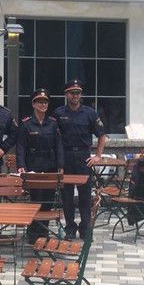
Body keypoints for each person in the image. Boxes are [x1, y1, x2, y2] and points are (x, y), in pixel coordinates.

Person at [54, 79, 107, 240]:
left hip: (84, 157)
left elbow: (102, 135)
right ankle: (70, 227)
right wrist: (58, 162)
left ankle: (85, 228)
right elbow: (55, 138)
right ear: (66, 95)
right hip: (66, 157)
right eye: (72, 93)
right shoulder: (58, 113)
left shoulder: (90, 113)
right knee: (67, 196)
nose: (75, 96)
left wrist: (97, 156)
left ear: (81, 94)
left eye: (77, 93)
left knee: (85, 195)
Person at [17, 88, 64, 243]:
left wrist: (60, 165)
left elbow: (58, 146)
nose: (43, 105)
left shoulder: (53, 123)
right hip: (33, 166)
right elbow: (21, 146)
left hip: (50, 166)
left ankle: (43, 232)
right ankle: (33, 233)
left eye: (45, 102)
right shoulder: (26, 123)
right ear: (33, 104)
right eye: (39, 102)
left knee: (48, 201)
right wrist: (21, 165)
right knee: (36, 200)